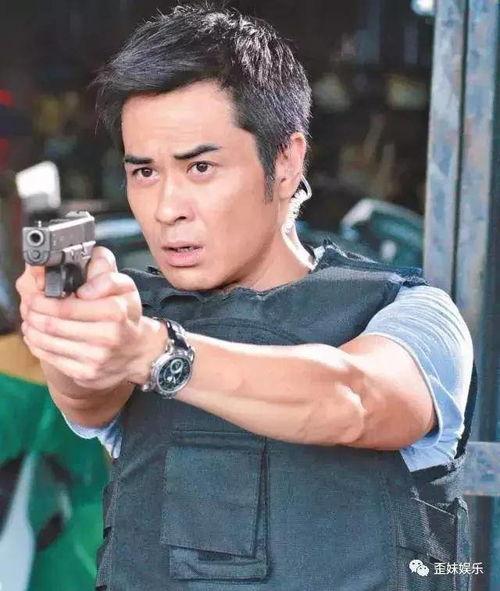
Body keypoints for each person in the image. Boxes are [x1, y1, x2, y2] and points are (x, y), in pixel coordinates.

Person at [16, 5, 476, 590]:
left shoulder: (411, 314)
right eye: (145, 173)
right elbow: (86, 397)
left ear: (284, 163)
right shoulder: (136, 317)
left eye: (201, 167)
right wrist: (70, 329)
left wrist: (156, 354)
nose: (167, 208)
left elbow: (354, 400)